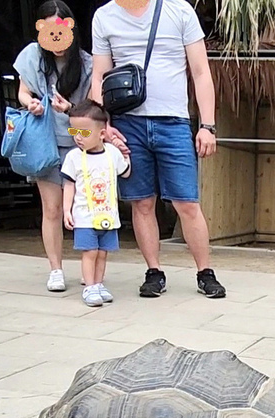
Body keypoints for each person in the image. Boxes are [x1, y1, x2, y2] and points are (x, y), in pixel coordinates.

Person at [90, 0, 227, 299]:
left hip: (173, 120)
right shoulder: (104, 16)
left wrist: (208, 125)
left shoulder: (178, 10)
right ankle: (154, 271)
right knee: (141, 202)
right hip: (127, 122)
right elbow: (99, 75)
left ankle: (205, 271)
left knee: (187, 202)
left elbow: (201, 71)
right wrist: (105, 123)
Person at [14, 1, 95, 293]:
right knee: (51, 208)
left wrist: (69, 109)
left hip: (76, 135)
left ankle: (89, 269)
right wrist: (31, 103)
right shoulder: (32, 56)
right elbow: (23, 92)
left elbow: (92, 111)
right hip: (45, 139)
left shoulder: (86, 63)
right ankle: (56, 269)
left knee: (83, 209)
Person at [61, 100, 131, 306]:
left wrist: (124, 151)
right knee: (90, 252)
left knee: (102, 253)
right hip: (84, 216)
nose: (78, 137)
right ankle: (89, 287)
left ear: (102, 133)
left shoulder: (112, 153)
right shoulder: (73, 157)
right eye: (74, 131)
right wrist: (67, 210)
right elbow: (69, 185)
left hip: (108, 216)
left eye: (84, 132)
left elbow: (126, 172)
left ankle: (99, 284)